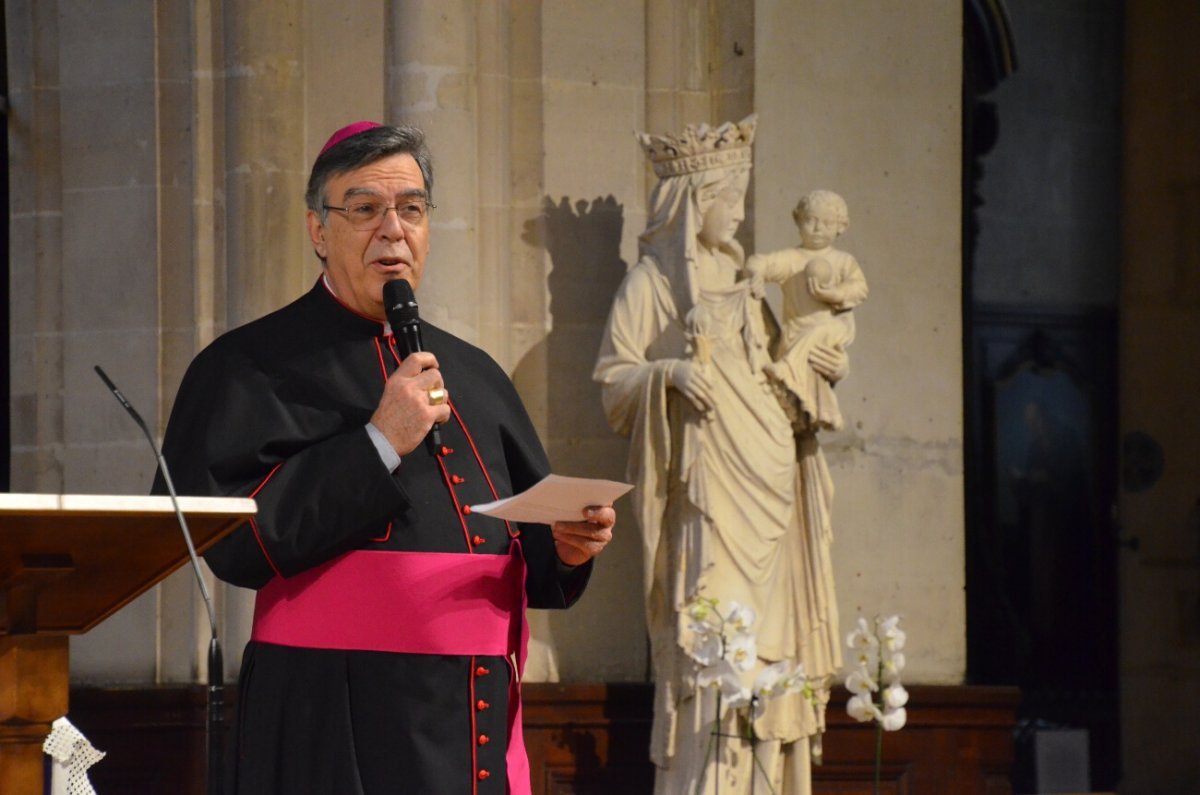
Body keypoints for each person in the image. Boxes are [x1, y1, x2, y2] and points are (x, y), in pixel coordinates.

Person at [156, 121, 615, 794]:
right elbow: (230, 542)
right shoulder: (246, 365)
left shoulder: (477, 373)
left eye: (412, 209)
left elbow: (521, 549)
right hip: (333, 717)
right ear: (318, 231)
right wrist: (377, 443)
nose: (393, 229)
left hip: (471, 715)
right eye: (365, 208)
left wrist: (570, 548)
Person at [593, 117, 843, 794]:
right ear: (697, 203)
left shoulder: (752, 279)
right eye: (731, 198)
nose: (739, 211)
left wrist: (813, 365)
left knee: (770, 648)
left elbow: (778, 371)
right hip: (708, 492)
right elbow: (615, 381)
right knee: (713, 638)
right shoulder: (653, 283)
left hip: (769, 478)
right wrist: (668, 375)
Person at [746, 189, 867, 432]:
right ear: (797, 219)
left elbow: (859, 289)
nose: (818, 229)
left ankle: (787, 370)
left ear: (841, 226)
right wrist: (756, 275)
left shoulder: (843, 261)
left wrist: (834, 295)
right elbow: (758, 261)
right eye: (811, 220)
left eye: (827, 223)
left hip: (833, 331)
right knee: (801, 399)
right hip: (795, 338)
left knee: (822, 329)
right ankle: (820, 413)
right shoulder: (792, 259)